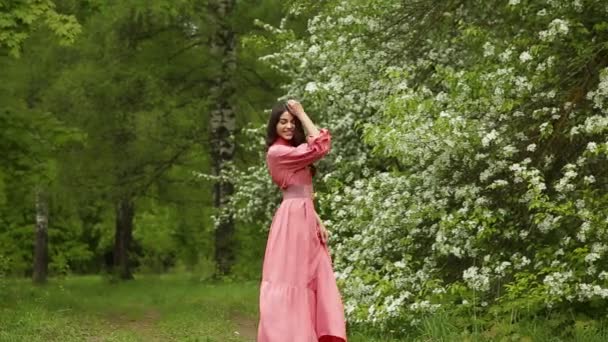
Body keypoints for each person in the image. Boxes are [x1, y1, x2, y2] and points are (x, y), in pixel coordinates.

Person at [257, 100, 347, 342]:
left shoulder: (292, 151)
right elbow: (320, 145)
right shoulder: (278, 152)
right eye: (283, 121)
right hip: (293, 222)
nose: (288, 126)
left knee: (313, 278)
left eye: (292, 122)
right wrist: (301, 112)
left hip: (306, 219)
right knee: (293, 280)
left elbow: (302, 191)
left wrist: (318, 220)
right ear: (273, 125)